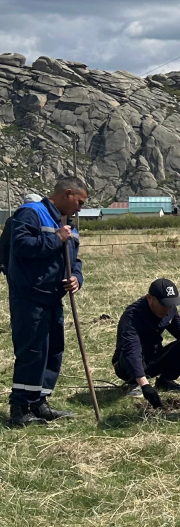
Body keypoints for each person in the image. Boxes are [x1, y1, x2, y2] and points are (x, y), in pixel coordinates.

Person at [4, 176, 88, 428]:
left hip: (54, 298)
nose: (80, 208)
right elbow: (20, 246)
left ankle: (39, 402)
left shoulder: (67, 224)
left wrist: (76, 277)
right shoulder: (31, 214)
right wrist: (57, 239)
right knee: (32, 351)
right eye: (79, 202)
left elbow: (76, 260)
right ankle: (19, 407)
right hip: (30, 296)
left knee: (53, 351)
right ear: (67, 193)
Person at [112, 277, 180, 408]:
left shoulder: (170, 309)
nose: (167, 309)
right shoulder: (133, 316)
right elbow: (131, 351)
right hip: (126, 365)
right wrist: (144, 384)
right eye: (163, 304)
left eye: (170, 304)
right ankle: (135, 382)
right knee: (134, 350)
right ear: (150, 298)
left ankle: (165, 380)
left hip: (153, 358)